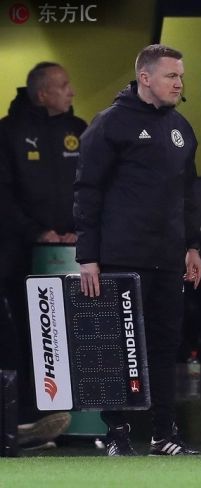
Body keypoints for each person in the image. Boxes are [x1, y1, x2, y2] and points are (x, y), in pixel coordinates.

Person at [74, 44, 201, 456]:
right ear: (145, 78)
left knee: (165, 345)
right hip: (120, 257)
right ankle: (116, 433)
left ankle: (163, 434)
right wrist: (87, 257)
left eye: (181, 76)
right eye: (171, 76)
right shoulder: (109, 124)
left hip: (168, 258)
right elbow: (87, 192)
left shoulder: (182, 128)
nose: (179, 83)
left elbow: (188, 195)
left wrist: (193, 246)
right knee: (117, 347)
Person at [0, 62, 85, 448]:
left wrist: (81, 230)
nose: (71, 92)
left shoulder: (79, 130)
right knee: (23, 336)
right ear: (42, 94)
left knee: (69, 337)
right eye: (63, 85)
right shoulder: (8, 133)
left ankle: (73, 419)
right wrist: (37, 232)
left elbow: (93, 188)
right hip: (18, 257)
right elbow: (3, 195)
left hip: (73, 254)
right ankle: (24, 420)